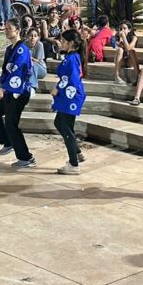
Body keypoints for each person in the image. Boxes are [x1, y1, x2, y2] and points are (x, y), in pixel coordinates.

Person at [0, 18, 35, 168]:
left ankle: (26, 157)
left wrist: (3, 89)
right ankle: (8, 142)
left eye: (9, 28)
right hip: (8, 90)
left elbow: (18, 72)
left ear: (18, 30)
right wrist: (1, 83)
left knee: (11, 124)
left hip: (19, 92)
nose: (6, 31)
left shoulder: (22, 50)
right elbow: (7, 70)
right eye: (5, 28)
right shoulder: (9, 49)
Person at [50, 29, 87, 175]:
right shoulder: (72, 57)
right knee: (60, 123)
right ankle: (76, 152)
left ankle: (74, 163)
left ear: (71, 43)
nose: (61, 43)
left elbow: (72, 80)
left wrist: (58, 88)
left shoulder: (72, 59)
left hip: (70, 97)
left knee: (65, 128)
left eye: (64, 41)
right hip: (69, 96)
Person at [113, 21, 140, 86]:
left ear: (129, 30)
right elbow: (117, 46)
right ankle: (117, 77)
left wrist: (124, 38)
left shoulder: (134, 37)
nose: (122, 30)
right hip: (121, 60)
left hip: (129, 60)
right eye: (121, 29)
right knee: (120, 50)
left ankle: (138, 77)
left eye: (124, 28)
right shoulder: (117, 36)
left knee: (132, 51)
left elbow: (128, 48)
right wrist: (120, 40)